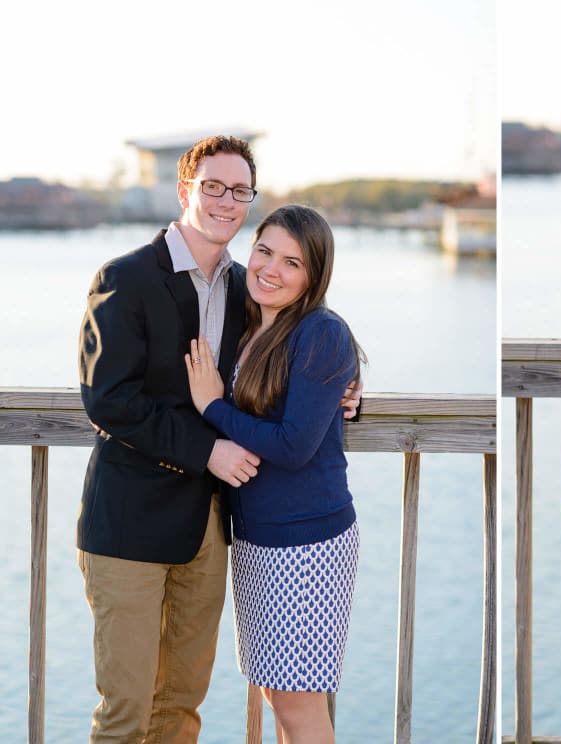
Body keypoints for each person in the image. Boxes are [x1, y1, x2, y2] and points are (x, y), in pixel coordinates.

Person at [76, 134, 346, 743]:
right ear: (185, 190)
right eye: (213, 187)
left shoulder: (243, 289)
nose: (227, 201)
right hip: (130, 524)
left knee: (181, 705)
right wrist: (208, 449)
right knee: (125, 711)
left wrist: (346, 390)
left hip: (210, 530)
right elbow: (108, 400)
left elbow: (294, 354)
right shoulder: (126, 277)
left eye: (240, 190)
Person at [185, 204, 365, 744]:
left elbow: (293, 445)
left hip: (308, 544)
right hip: (259, 540)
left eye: (292, 262)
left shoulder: (321, 331)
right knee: (276, 694)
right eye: (264, 251)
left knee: (297, 704)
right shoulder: (251, 325)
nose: (271, 269)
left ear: (315, 275)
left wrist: (213, 408)